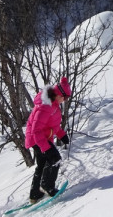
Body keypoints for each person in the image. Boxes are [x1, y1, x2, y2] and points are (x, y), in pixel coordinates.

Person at [24, 76, 72, 204]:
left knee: (41, 165)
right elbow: (36, 130)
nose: (65, 100)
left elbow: (53, 124)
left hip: (42, 138)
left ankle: (35, 195)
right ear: (58, 94)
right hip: (37, 139)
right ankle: (47, 186)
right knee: (54, 159)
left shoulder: (54, 105)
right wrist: (46, 147)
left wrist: (61, 134)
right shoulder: (45, 107)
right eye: (65, 97)